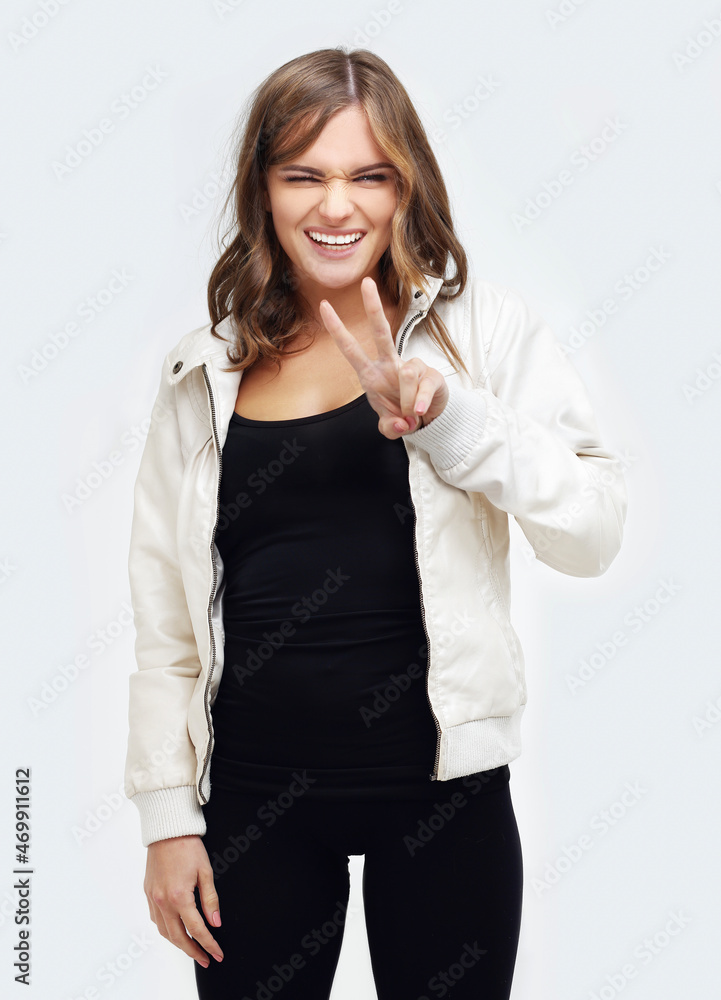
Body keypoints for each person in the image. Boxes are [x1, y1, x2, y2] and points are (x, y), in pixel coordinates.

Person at [123, 47, 627, 1000]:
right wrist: (164, 818)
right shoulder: (205, 370)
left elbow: (592, 530)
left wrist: (452, 423)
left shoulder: (481, 334)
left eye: (368, 176)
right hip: (255, 803)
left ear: (407, 187)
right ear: (261, 189)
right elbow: (164, 628)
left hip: (441, 799)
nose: (335, 206)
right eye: (301, 175)